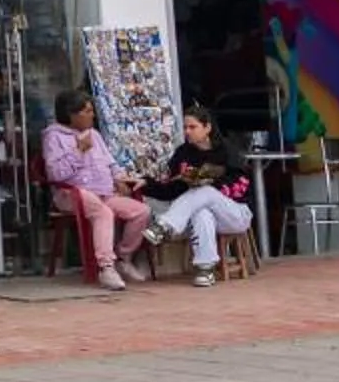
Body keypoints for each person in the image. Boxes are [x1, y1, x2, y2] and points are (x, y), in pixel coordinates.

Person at [43, 88, 150, 290]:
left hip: (103, 192)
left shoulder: (94, 135)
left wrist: (119, 178)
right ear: (71, 114)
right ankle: (106, 267)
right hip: (72, 194)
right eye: (86, 111)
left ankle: (123, 257)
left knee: (140, 211)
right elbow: (56, 174)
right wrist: (78, 151)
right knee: (103, 213)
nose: (92, 115)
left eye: (92, 110)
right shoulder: (53, 137)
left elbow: (110, 163)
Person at [141, 105, 255, 286]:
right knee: (201, 213)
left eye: (192, 127)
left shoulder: (227, 151)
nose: (187, 132)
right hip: (205, 214)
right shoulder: (183, 154)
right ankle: (205, 269)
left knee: (205, 191)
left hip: (236, 213)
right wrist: (146, 185)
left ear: (207, 127)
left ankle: (164, 224)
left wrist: (213, 184)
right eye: (185, 128)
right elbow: (171, 188)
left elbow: (243, 185)